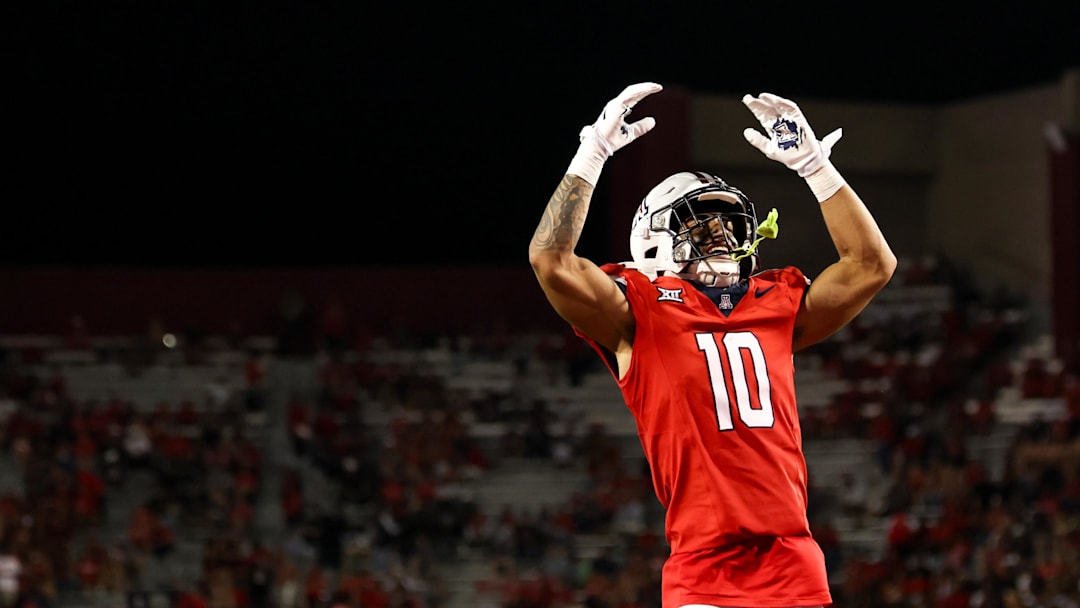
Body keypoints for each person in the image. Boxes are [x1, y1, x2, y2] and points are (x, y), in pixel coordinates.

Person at [528, 82, 897, 608]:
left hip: (793, 560)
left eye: (729, 225)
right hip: (705, 569)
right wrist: (590, 158)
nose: (723, 237)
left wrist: (816, 168)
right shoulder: (640, 308)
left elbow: (872, 266)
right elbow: (551, 262)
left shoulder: (773, 301)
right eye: (701, 227)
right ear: (653, 240)